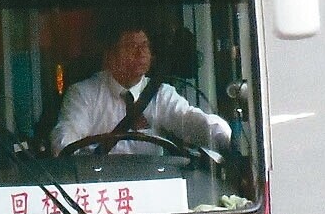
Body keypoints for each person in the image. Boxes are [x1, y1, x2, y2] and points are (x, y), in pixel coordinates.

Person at [50, 18, 229, 156]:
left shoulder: (161, 94)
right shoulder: (83, 94)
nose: (141, 53)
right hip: (101, 188)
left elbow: (189, 120)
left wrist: (222, 134)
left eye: (145, 46)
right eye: (131, 46)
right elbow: (65, 138)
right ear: (110, 56)